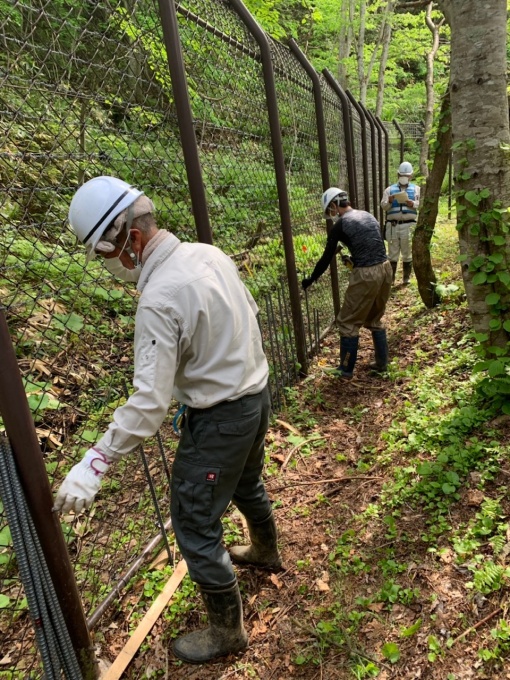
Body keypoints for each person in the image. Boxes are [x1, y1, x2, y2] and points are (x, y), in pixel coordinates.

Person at [53, 176, 282, 664]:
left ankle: (228, 631)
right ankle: (265, 550)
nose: (107, 265)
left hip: (220, 419)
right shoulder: (208, 254)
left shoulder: (159, 296)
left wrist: (96, 460)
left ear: (129, 239)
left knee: (194, 520)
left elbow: (148, 402)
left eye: (103, 252)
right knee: (247, 482)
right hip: (256, 395)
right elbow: (247, 319)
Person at [301, 187, 392, 379]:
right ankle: (382, 363)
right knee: (374, 318)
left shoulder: (340, 225)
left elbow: (326, 258)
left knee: (347, 321)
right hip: (385, 268)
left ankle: (345, 369)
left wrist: (310, 279)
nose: (331, 215)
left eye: (330, 210)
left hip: (366, 274)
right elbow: (373, 243)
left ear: (334, 205)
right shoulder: (367, 215)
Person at [380, 161, 421, 285]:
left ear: (411, 176)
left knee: (407, 251)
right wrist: (390, 201)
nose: (405, 178)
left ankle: (406, 278)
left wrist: (412, 203)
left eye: (407, 176)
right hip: (393, 225)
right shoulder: (389, 190)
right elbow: (383, 206)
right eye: (402, 175)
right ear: (398, 175)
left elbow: (421, 204)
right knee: (392, 252)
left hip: (409, 224)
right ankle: (391, 279)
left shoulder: (416, 189)